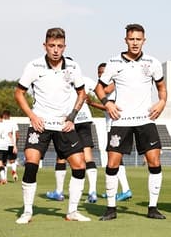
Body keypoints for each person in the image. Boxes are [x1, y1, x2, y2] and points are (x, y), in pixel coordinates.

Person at [14, 27, 91, 224]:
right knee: (31, 163)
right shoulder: (34, 66)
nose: (55, 50)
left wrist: (72, 116)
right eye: (51, 46)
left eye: (59, 46)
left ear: (64, 46)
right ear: (45, 46)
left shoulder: (73, 67)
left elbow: (82, 93)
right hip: (40, 124)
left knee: (80, 165)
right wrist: (32, 116)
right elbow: (18, 93)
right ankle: (28, 211)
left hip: (63, 125)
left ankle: (72, 211)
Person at [95, 23, 167, 220]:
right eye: (131, 39)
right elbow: (99, 88)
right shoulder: (113, 62)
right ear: (126, 40)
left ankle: (152, 207)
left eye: (138, 39)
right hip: (121, 121)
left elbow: (161, 87)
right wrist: (107, 104)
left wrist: (162, 102)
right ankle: (111, 208)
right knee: (112, 163)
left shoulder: (153, 62)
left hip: (146, 120)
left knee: (154, 162)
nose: (135, 43)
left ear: (144, 40)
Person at [46, 73, 99, 204]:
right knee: (88, 155)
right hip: (85, 118)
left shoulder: (58, 80)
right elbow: (101, 89)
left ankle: (59, 192)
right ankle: (92, 192)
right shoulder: (85, 79)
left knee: (61, 155)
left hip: (68, 120)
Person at [93, 63, 132, 201]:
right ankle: (121, 190)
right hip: (111, 125)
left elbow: (110, 106)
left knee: (114, 160)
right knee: (116, 160)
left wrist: (91, 103)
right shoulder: (106, 88)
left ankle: (125, 189)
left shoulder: (114, 85)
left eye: (102, 72)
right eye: (99, 72)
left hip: (116, 126)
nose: (100, 74)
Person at [2, 110, 20, 181]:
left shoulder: (1, 123)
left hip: (3, 144)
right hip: (12, 144)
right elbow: (17, 135)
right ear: (9, 116)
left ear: (3, 115)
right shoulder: (14, 123)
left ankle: (4, 178)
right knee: (12, 160)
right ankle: (14, 172)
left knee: (4, 162)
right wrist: (15, 144)